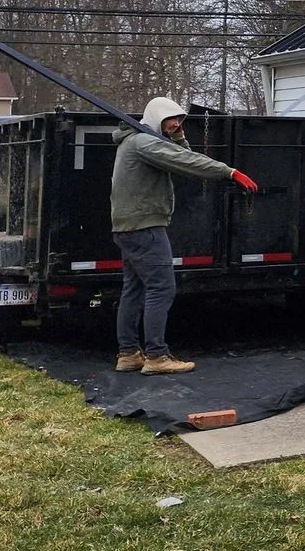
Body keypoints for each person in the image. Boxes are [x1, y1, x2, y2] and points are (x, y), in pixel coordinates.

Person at [110, 98, 258, 374]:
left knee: (134, 289)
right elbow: (186, 161)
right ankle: (156, 357)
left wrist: (176, 135)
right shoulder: (144, 143)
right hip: (145, 228)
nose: (177, 124)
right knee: (161, 288)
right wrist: (229, 171)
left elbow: (181, 155)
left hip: (128, 227)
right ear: (155, 117)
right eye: (171, 119)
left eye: (180, 120)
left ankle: (128, 353)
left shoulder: (138, 141)